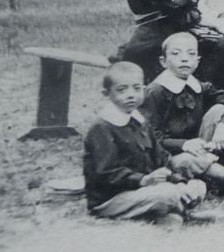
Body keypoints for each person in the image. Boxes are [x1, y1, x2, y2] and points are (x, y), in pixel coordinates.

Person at [81, 61, 208, 223]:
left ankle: (172, 214)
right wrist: (143, 180)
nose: (131, 95)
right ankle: (179, 213)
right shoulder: (102, 128)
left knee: (196, 186)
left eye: (137, 88)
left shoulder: (140, 121)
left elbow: (161, 158)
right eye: (121, 90)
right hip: (112, 198)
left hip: (144, 189)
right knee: (167, 195)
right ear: (106, 93)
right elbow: (106, 173)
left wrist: (178, 181)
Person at [139, 33, 224, 193]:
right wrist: (183, 144)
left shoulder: (198, 86)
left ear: (197, 61)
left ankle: (216, 178)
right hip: (166, 155)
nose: (184, 59)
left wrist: (223, 126)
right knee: (187, 161)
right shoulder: (156, 91)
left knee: (220, 110)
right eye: (176, 54)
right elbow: (149, 136)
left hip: (198, 147)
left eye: (191, 54)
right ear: (163, 61)